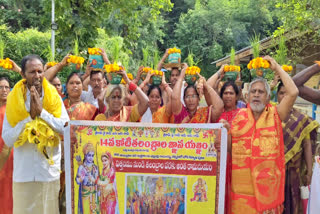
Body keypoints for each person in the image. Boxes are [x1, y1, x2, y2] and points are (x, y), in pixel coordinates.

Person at [220, 56, 298, 213]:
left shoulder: (275, 114)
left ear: (268, 97)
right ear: (247, 96)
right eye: (253, 91)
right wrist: (225, 132)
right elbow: (230, 148)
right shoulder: (239, 117)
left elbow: (293, 92)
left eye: (261, 92)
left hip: (268, 197)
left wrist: (276, 67)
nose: (256, 95)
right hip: (242, 197)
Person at [2, 54, 69, 214]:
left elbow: (65, 128)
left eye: (40, 71)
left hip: (48, 175)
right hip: (23, 175)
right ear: (23, 74)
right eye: (32, 72)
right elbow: (8, 138)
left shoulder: (54, 98)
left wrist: (42, 113)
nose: (37, 75)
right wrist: (28, 119)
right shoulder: (14, 99)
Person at [277, 81, 318, 214]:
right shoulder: (271, 113)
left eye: (287, 93)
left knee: (292, 200)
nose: (284, 96)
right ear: (276, 95)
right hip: (273, 169)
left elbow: (306, 145)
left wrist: (309, 171)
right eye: (281, 93)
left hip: (294, 169)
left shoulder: (301, 119)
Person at [0, 77, 13, 214]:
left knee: (7, 195)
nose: (4, 90)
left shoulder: (12, 111)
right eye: (0, 87)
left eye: (6, 87)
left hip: (8, 159)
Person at [75, 142, 99, 214]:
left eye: (92, 155)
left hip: (94, 194)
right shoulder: (81, 167)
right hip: (85, 194)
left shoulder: (95, 167)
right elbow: (78, 181)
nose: (91, 158)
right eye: (89, 155)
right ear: (85, 155)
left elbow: (97, 181)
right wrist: (81, 178)